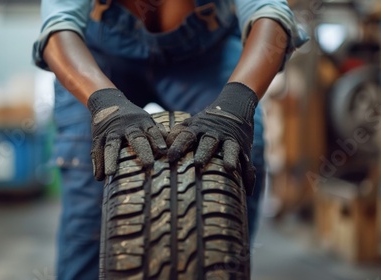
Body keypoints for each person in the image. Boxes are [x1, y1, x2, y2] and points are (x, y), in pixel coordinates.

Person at [33, 0, 307, 278]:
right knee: (88, 178)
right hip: (99, 61)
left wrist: (237, 104)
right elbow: (59, 26)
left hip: (205, 57)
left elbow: (269, 13)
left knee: (235, 152)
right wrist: (105, 105)